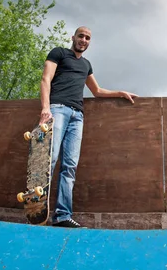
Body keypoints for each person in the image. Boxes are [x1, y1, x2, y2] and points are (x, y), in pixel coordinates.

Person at [39, 26, 137, 228]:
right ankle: (37, 208)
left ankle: (62, 216)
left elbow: (97, 90)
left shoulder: (86, 65)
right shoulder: (59, 53)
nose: (84, 40)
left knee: (70, 166)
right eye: (81, 36)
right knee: (50, 158)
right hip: (58, 109)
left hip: (77, 116)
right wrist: (45, 109)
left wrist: (120, 92)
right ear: (73, 37)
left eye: (88, 38)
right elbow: (46, 78)